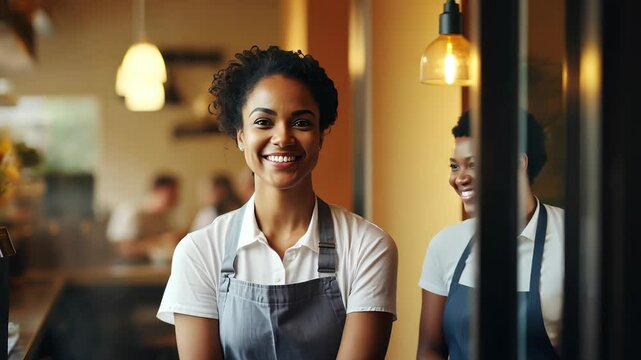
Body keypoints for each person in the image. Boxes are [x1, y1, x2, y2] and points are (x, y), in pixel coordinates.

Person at [157, 46, 398, 360]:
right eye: (263, 122)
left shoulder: (368, 246)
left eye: (301, 123)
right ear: (240, 135)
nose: (283, 137)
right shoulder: (200, 251)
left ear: (322, 136)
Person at [416, 112, 564, 359]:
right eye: (455, 166)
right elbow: (430, 350)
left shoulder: (572, 239)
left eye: (473, 164)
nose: (459, 178)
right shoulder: (446, 244)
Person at [106, 173, 184, 264]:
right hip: (125, 268)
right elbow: (123, 249)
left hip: (150, 267)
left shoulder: (164, 217)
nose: (177, 197)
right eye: (172, 193)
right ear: (157, 190)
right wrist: (162, 241)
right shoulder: (131, 211)